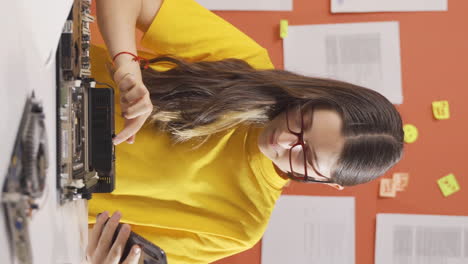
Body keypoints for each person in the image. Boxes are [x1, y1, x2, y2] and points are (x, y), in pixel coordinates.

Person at [86, 0, 404, 263]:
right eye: (303, 123)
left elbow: (89, 245)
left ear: (327, 182)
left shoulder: (240, 227)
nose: (283, 140)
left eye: (305, 156)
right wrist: (126, 63)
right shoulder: (247, 63)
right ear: (312, 98)